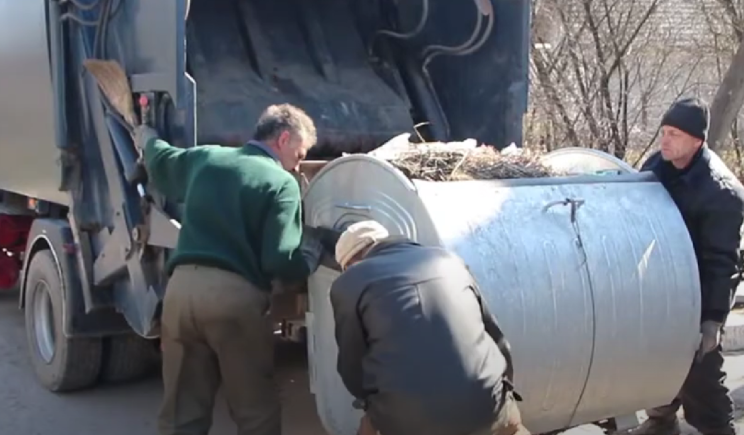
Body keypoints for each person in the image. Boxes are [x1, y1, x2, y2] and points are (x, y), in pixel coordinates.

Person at [133, 103, 338, 435]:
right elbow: (280, 261)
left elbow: (160, 160)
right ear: (283, 139)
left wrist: (146, 136)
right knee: (254, 408)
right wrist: (312, 253)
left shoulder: (206, 158)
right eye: (299, 155)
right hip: (233, 300)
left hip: (180, 294)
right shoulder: (281, 183)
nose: (298, 164)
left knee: (181, 408)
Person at [328, 220, 528, 435]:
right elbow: (496, 337)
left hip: (409, 422)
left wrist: (373, 401)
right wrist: (501, 392)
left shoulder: (350, 281)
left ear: (351, 261)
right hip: (490, 406)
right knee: (513, 429)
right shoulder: (450, 260)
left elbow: (352, 366)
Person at [630, 97, 744, 435]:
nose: (664, 140)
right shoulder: (657, 167)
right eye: (663, 131)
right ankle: (661, 421)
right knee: (655, 363)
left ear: (698, 140)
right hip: (661, 281)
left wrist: (713, 320)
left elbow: (722, 263)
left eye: (675, 134)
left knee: (702, 377)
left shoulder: (721, 193)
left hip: (697, 291)